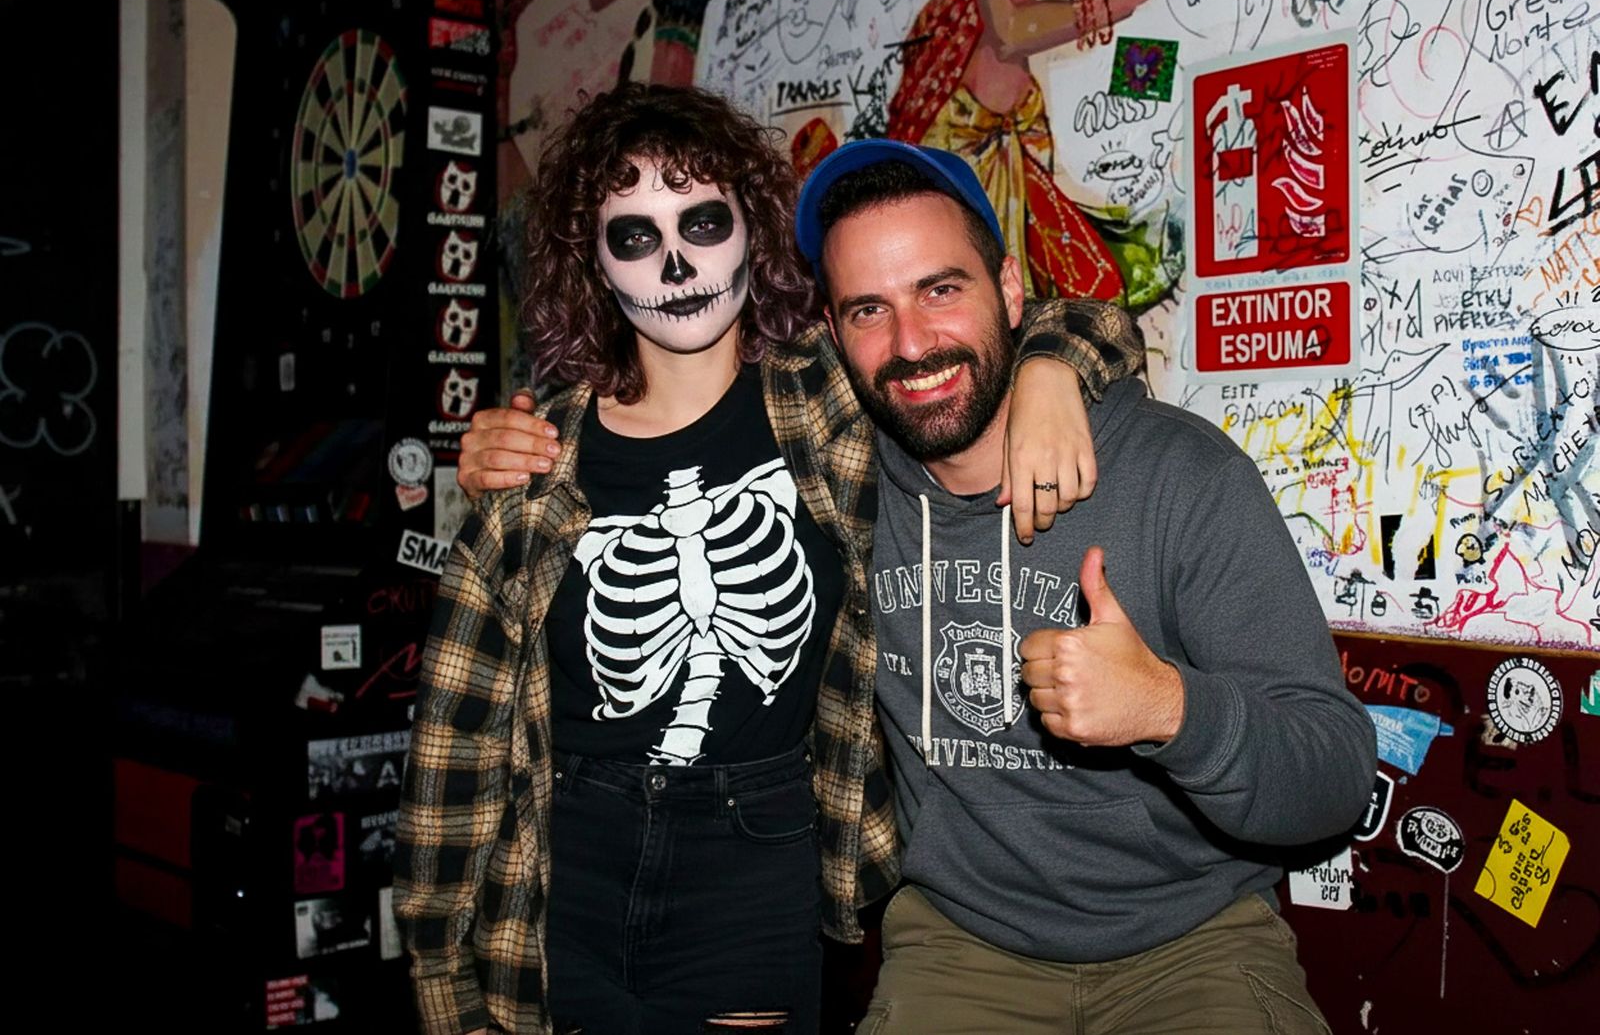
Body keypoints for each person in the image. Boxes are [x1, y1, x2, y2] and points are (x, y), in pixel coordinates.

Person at [395, 84, 1143, 1035]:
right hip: (565, 849)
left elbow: (1080, 320)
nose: (674, 264)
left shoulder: (827, 399)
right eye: (634, 236)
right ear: (592, 260)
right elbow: (456, 740)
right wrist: (437, 970)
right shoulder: (538, 459)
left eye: (702, 222)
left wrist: (1048, 371)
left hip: (754, 848)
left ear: (753, 231)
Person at [788, 141, 1377, 1033]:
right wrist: (503, 452)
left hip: (1195, 940)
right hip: (959, 946)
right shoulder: (839, 485)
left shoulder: (1178, 476)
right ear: (835, 335)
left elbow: (1334, 772)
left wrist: (1170, 709)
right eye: (869, 309)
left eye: (941, 289)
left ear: (1013, 293)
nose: (910, 344)